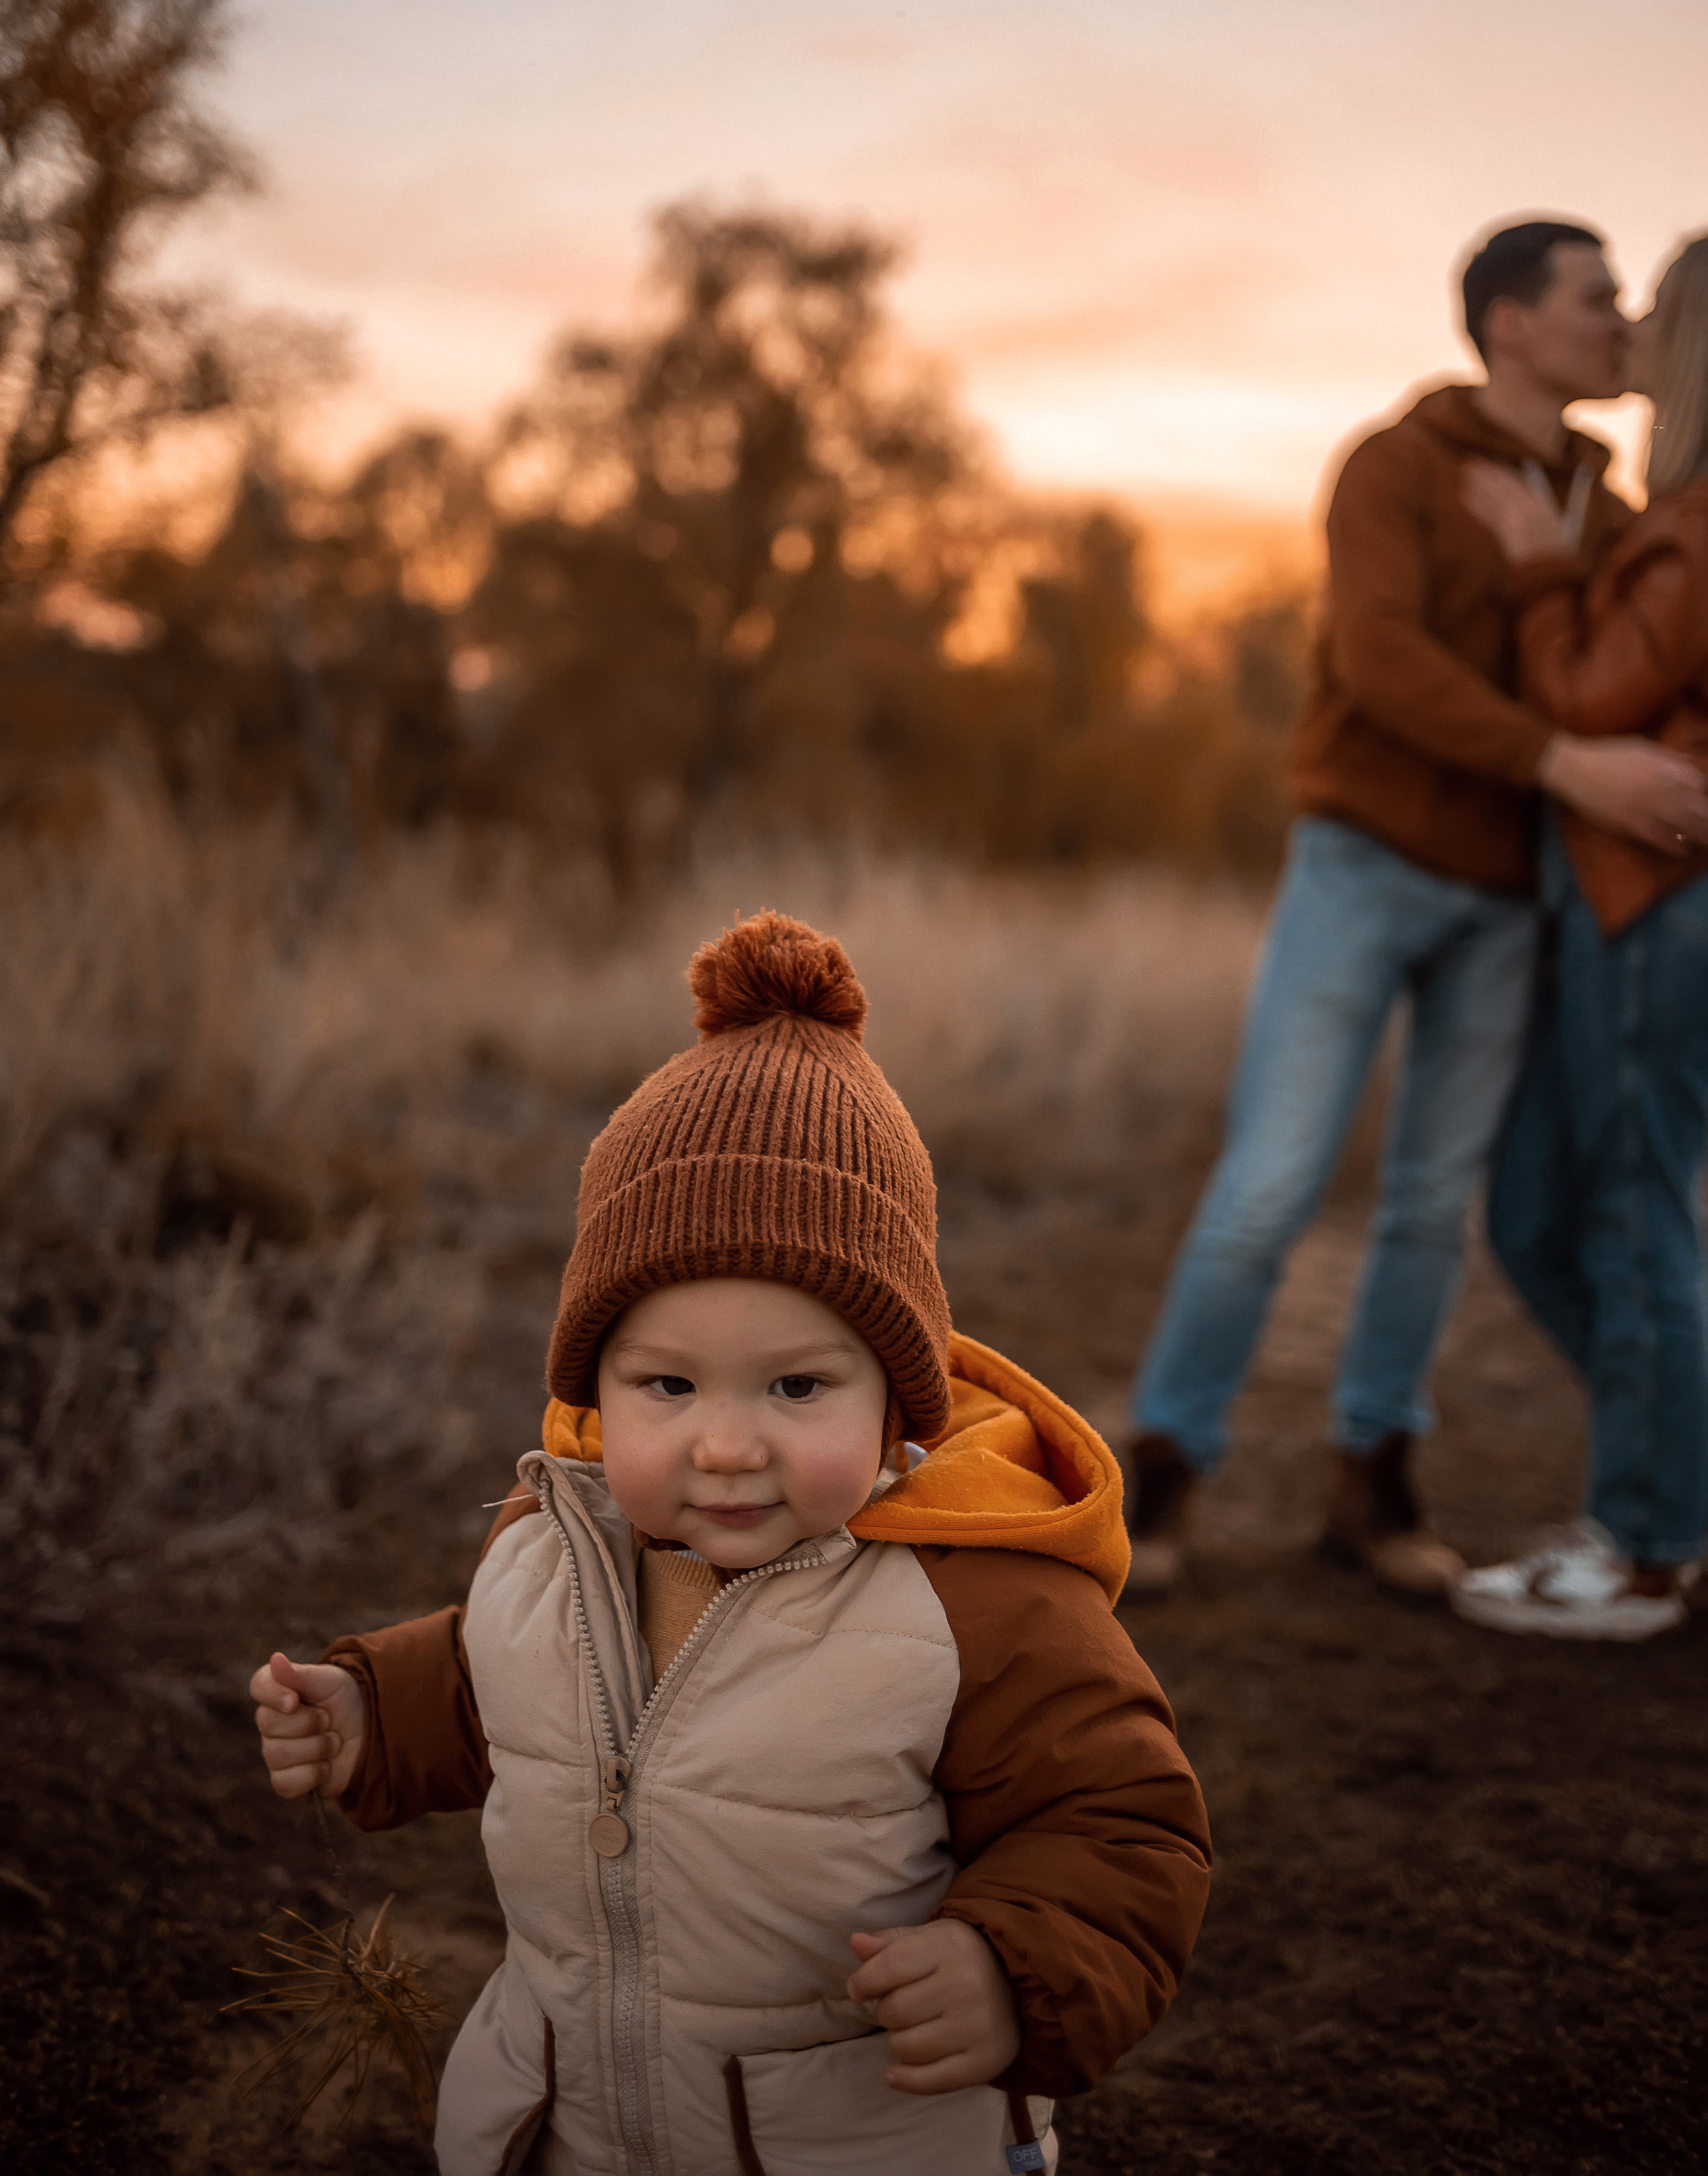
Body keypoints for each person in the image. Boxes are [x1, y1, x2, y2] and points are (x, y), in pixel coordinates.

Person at [250, 911, 1211, 2176]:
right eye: (668, 1388)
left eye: (797, 1389)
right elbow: (511, 1689)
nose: (725, 1445)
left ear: (896, 1404)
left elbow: (1122, 1827)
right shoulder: (558, 1544)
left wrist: (1009, 1968)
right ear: (599, 1392)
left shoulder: (979, 1602)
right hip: (569, 2127)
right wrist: (375, 1713)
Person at [1124, 218, 1708, 1601]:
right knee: (1266, 1188)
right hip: (1363, 867)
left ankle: (1371, 1483)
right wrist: (1560, 761)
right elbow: (1379, 659)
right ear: (1508, 323)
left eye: (1627, 303)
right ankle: (1163, 1467)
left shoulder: (1608, 510)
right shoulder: (1392, 467)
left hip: (1506, 904)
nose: (1619, 325)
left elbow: (1634, 668)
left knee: (1430, 1204)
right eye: (1592, 299)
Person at [1454, 235, 1708, 1640]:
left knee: (1623, 1212)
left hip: (1649, 908)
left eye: (1648, 313)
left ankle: (1644, 1546)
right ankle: (1671, 1488)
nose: (1626, 330)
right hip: (1621, 907)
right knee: (1541, 1209)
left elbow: (1586, 698)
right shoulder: (1663, 515)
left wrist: (1542, 571)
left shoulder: (1684, 526)